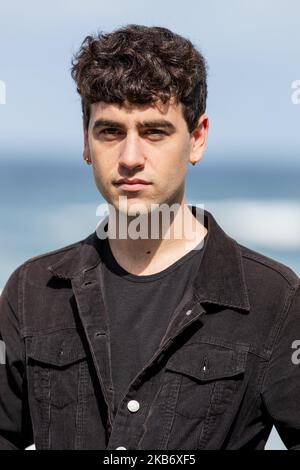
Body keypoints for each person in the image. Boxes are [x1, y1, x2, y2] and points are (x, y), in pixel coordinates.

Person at [0, 24, 299, 451]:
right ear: (86, 141)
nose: (130, 158)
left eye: (154, 132)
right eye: (110, 131)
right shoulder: (32, 291)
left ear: (197, 139)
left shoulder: (275, 299)